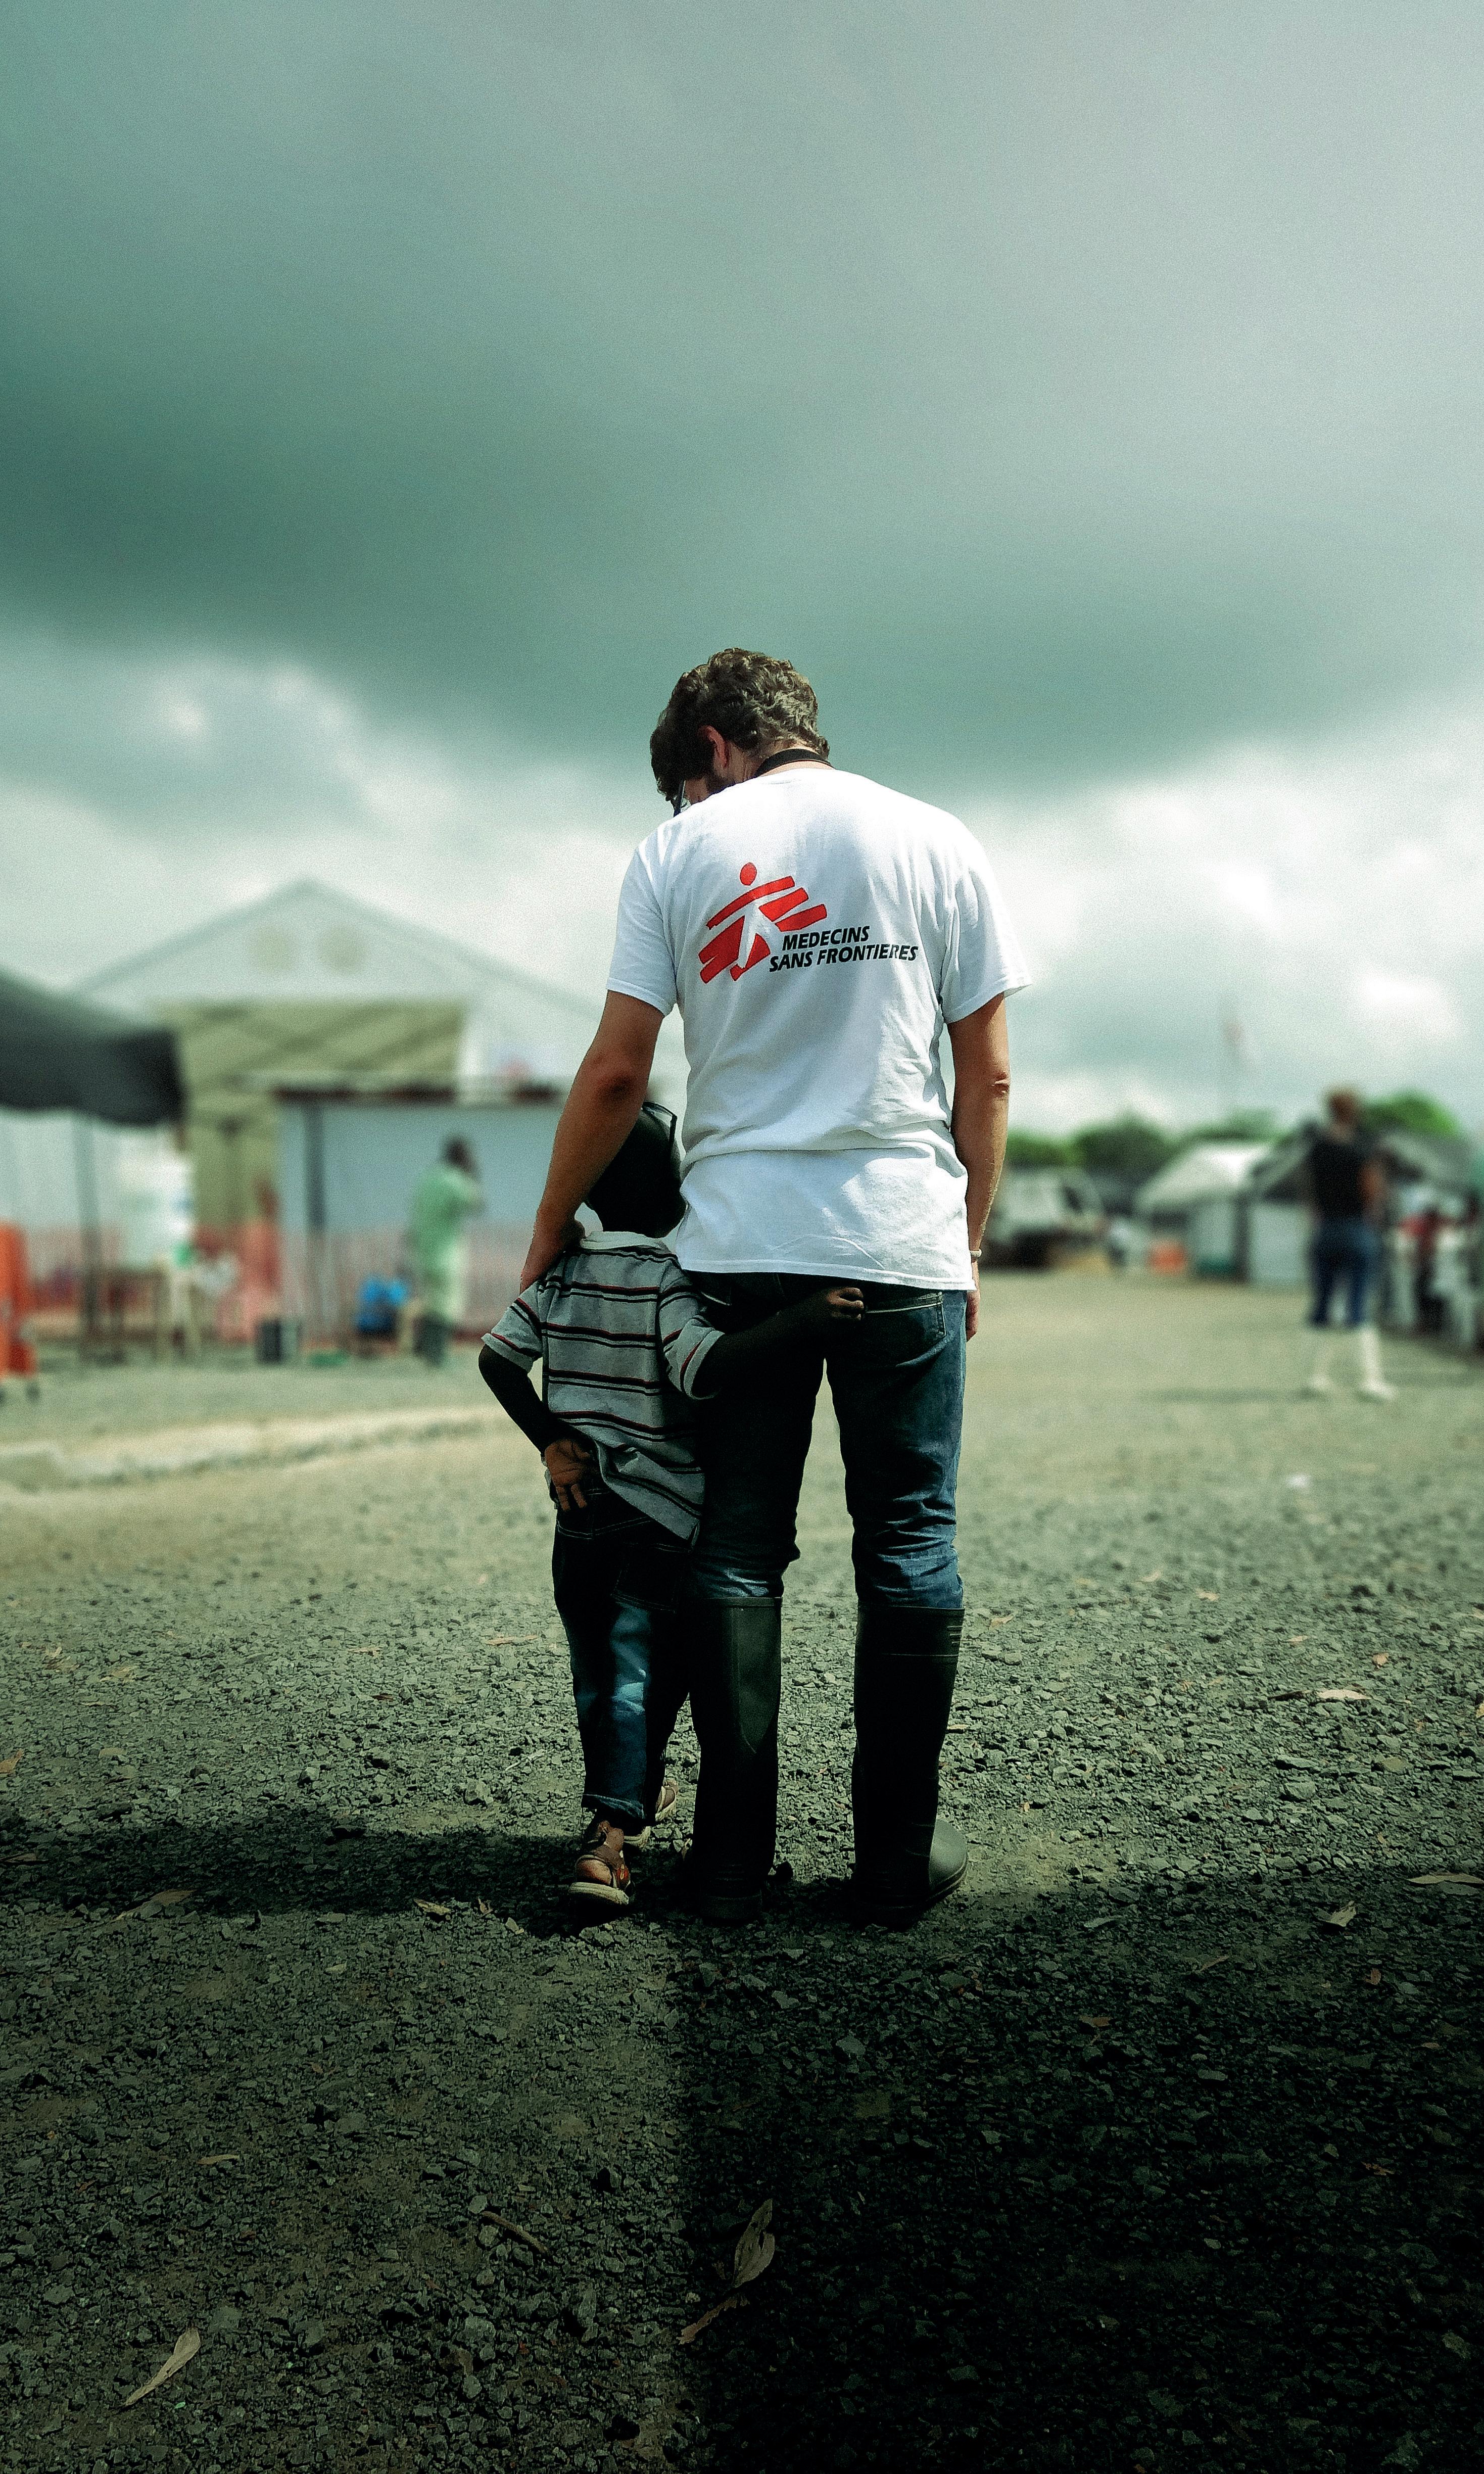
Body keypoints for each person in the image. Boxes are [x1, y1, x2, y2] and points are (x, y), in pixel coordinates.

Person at [516, 649, 1026, 1927]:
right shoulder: (938, 839)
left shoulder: (676, 854)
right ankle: (894, 1864)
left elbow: (619, 1072)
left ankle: (731, 1864)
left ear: (710, 748)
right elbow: (988, 1077)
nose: (685, 808)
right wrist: (963, 1245)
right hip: (900, 1238)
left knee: (737, 1545)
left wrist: (547, 1232)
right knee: (909, 1539)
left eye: (683, 787)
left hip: (738, 1247)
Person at [480, 1104, 863, 1910]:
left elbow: (498, 1361)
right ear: (675, 1190)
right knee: (647, 1673)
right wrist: (801, 1321)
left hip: (580, 1519)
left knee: (604, 1672)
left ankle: (629, 1800)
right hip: (655, 1520)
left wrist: (552, 1440)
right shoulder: (665, 1278)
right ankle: (608, 1840)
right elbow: (702, 1367)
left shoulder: (561, 1274)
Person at [1302, 1086, 1393, 1400]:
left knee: (1322, 1304)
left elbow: (1311, 1192)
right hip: (1356, 1227)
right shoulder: (1363, 1146)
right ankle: (1369, 1379)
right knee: (1358, 1304)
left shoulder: (1318, 1147)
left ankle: (1316, 1377)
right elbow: (1371, 1188)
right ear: (1355, 1111)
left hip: (1326, 1228)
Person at [408, 1137, 483, 1366]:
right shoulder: (455, 1180)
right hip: (446, 1255)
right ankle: (437, 1355)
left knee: (431, 1302)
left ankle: (427, 1350)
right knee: (448, 1305)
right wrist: (471, 1174)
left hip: (423, 1252)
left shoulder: (429, 1178)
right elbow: (476, 1203)